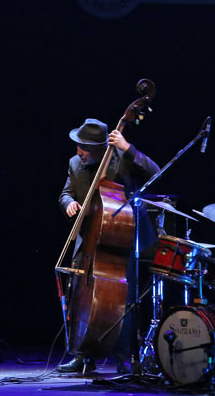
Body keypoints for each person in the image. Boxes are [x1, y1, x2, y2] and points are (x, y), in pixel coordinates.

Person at [56, 119, 160, 375]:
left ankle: (123, 356)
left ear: (100, 148)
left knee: (121, 303)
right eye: (78, 146)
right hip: (88, 242)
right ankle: (82, 355)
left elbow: (155, 172)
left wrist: (128, 148)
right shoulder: (74, 164)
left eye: (84, 148)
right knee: (79, 299)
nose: (79, 152)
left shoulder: (122, 161)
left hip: (121, 243)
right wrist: (68, 203)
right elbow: (65, 193)